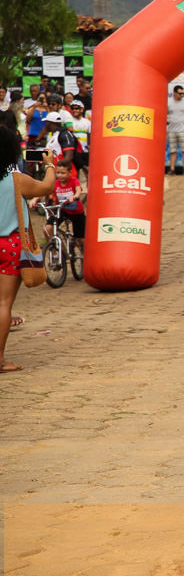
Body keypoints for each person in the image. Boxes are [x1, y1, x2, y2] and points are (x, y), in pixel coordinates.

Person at [0, 129, 54, 373]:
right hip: (9, 246)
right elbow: (46, 187)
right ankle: (0, 360)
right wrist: (50, 165)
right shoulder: (16, 179)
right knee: (3, 304)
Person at [30, 161, 85, 244]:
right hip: (61, 211)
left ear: (70, 172)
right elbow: (45, 191)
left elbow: (78, 189)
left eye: (63, 173)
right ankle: (56, 250)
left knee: (81, 239)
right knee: (47, 229)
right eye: (58, 173)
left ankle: (83, 254)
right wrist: (35, 199)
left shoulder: (74, 181)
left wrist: (75, 196)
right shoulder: (55, 184)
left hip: (76, 212)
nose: (60, 175)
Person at [67, 101, 90, 174]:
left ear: (82, 110)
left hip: (84, 150)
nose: (74, 110)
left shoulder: (87, 122)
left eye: (77, 108)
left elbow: (89, 135)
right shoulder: (69, 121)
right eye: (73, 108)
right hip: (74, 150)